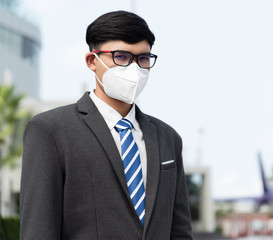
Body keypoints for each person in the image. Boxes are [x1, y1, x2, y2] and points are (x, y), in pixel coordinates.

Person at [20, 10, 193, 240]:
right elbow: (38, 231)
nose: (135, 69)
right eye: (121, 57)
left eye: (143, 59)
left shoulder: (168, 138)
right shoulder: (50, 131)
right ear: (93, 61)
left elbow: (179, 230)